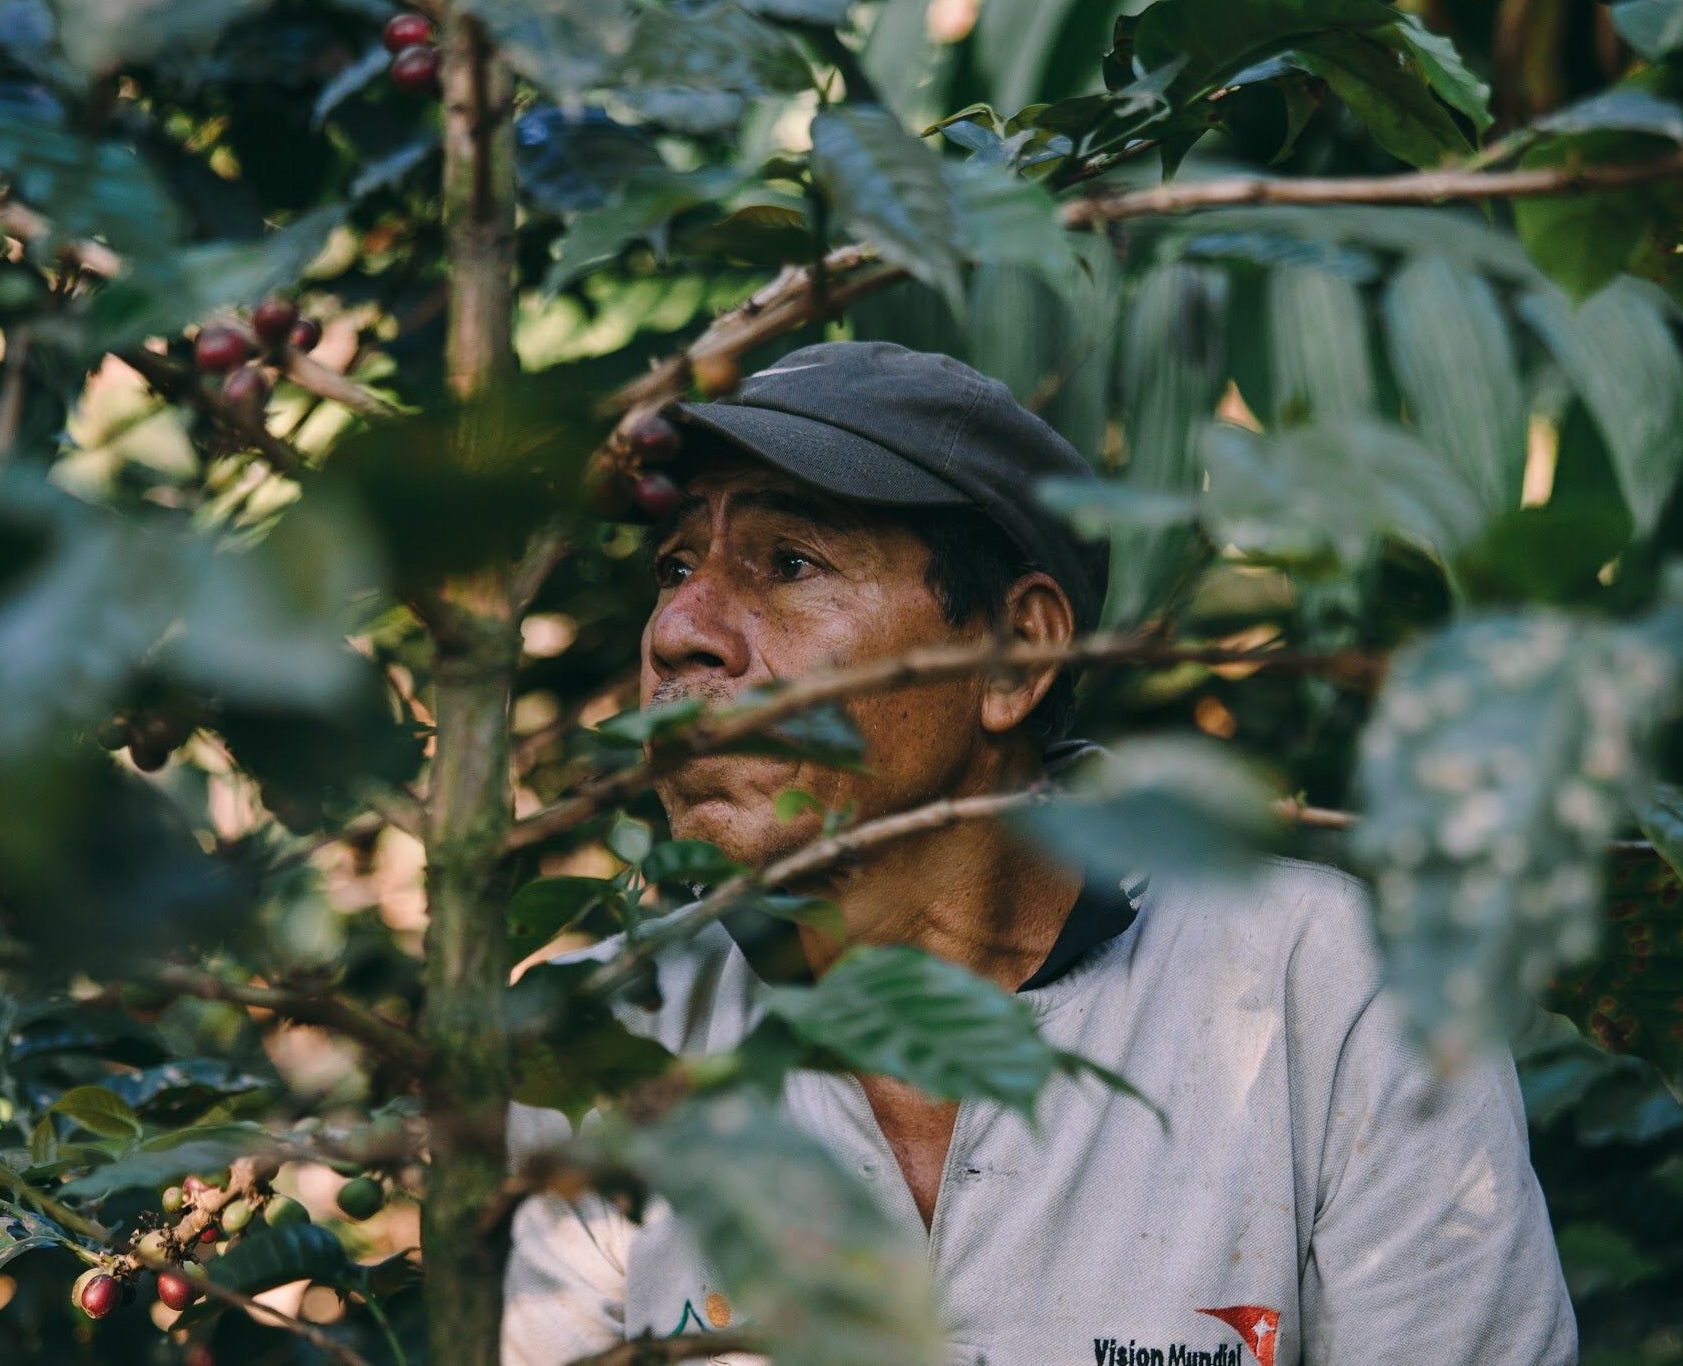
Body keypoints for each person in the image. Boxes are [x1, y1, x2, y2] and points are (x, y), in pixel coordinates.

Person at [501, 342, 1576, 1366]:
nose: (679, 630)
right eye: (673, 562)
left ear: (1017, 653)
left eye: (788, 563)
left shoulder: (1326, 985)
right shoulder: (603, 1047)